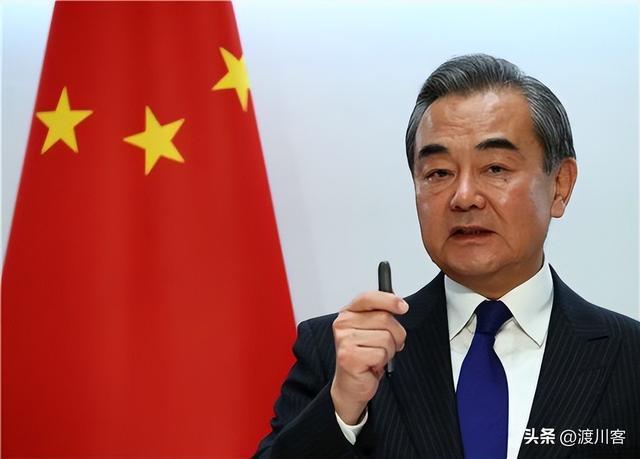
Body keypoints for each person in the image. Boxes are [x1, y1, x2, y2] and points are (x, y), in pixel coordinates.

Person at [254, 54, 640, 458]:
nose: (464, 197)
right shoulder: (339, 355)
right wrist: (342, 407)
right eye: (438, 173)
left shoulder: (629, 358)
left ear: (560, 184)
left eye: (495, 168)